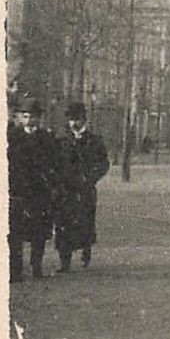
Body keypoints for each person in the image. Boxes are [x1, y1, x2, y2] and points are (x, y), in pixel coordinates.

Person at [8, 97, 61, 282]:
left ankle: (36, 267)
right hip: (17, 192)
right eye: (25, 116)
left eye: (33, 116)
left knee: (38, 232)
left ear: (39, 118)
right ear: (20, 118)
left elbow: (55, 164)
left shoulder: (47, 139)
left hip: (40, 193)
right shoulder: (12, 138)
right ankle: (15, 271)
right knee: (14, 234)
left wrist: (51, 186)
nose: (29, 120)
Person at [54, 102, 110, 272]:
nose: (74, 123)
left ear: (84, 120)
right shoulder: (61, 141)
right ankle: (65, 261)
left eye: (77, 119)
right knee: (63, 223)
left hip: (85, 189)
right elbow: (55, 163)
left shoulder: (94, 141)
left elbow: (103, 163)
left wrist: (91, 178)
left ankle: (86, 250)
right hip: (66, 190)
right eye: (71, 120)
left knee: (85, 221)